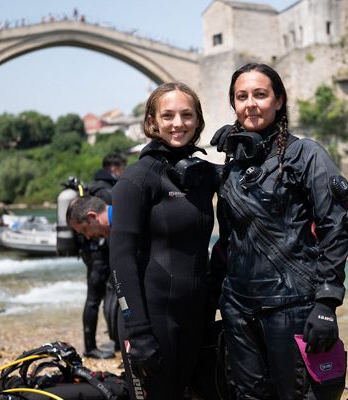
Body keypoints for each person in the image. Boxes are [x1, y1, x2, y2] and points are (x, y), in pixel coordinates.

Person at [211, 63, 348, 399]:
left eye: (260, 94)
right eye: (241, 96)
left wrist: (327, 302)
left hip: (293, 306)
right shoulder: (233, 163)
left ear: (279, 100)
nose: (251, 104)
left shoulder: (306, 154)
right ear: (233, 103)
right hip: (238, 307)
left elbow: (335, 226)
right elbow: (227, 239)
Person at [110, 82, 221, 400]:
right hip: (153, 322)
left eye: (187, 115)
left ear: (198, 121)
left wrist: (245, 144)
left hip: (196, 317)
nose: (178, 123)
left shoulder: (202, 175)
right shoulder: (136, 180)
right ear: (152, 122)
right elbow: (121, 260)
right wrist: (139, 332)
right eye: (168, 115)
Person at [74, 153, 126, 360]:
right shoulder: (106, 191)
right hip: (101, 253)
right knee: (100, 298)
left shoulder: (91, 188)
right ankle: (94, 346)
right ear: (114, 168)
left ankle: (104, 342)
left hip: (90, 252)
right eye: (122, 168)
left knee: (98, 298)